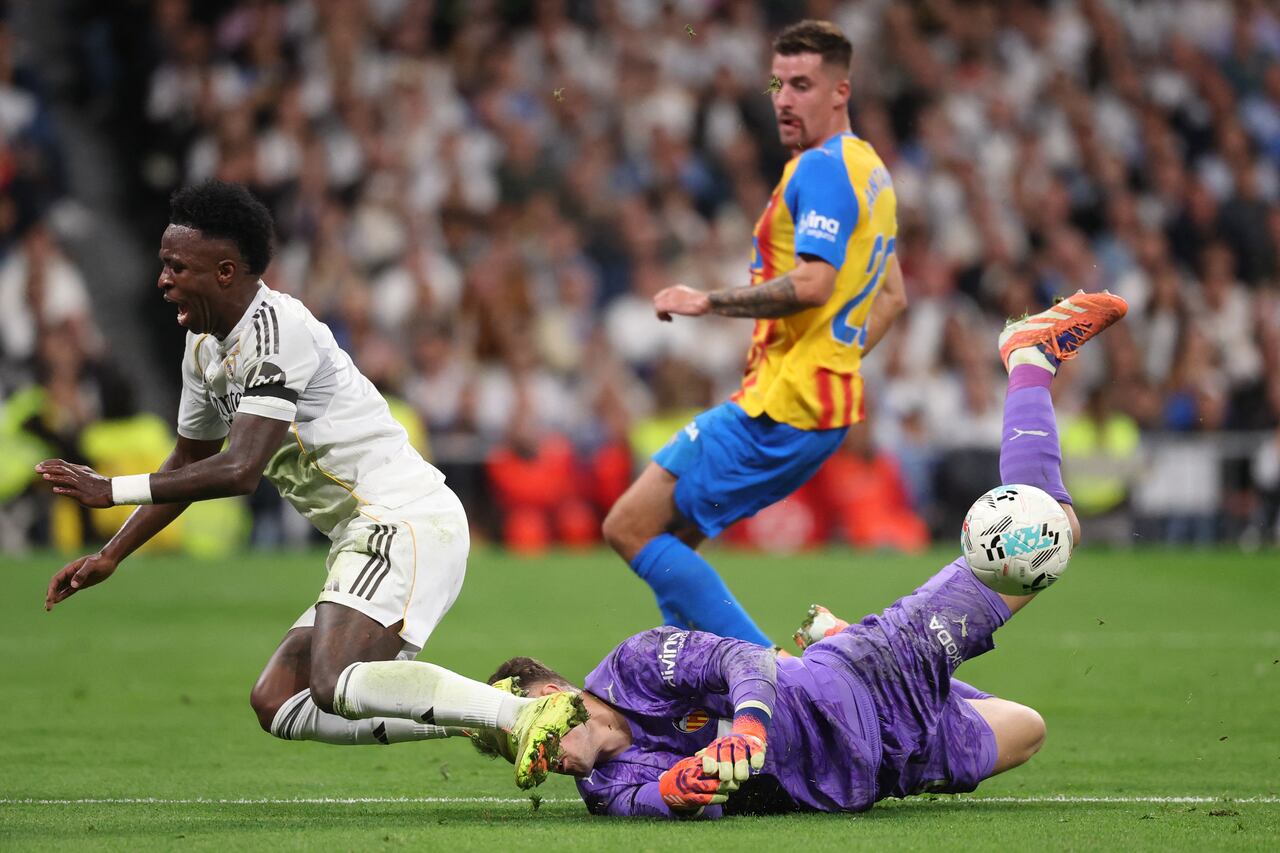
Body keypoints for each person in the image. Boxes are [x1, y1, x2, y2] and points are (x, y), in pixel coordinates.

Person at [491, 291, 1127, 816]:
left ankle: (1028, 358)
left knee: (1050, 531)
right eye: (526, 759)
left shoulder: (636, 665)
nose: (543, 762)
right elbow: (658, 800)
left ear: (555, 692)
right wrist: (682, 788)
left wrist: (748, 729)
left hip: (868, 675)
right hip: (879, 770)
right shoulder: (605, 789)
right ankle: (867, 648)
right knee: (1028, 729)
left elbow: (742, 658)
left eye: (534, 738)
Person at [37, 180, 583, 789]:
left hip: (400, 518)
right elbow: (187, 462)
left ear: (225, 271)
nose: (162, 281)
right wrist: (112, 553)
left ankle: (518, 713)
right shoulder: (203, 350)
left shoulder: (279, 330)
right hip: (364, 532)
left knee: (333, 680)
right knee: (278, 701)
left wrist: (111, 491)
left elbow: (241, 469)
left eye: (176, 267)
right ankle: (496, 715)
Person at [602, 20, 908, 647]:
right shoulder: (869, 169)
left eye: (803, 85)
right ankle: (698, 687)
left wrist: (707, 300)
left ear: (841, 91)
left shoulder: (820, 170)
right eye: (777, 84)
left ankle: (773, 677)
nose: (784, 100)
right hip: (813, 405)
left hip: (781, 407)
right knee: (673, 540)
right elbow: (892, 296)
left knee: (627, 527)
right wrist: (834, 360)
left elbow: (814, 284)